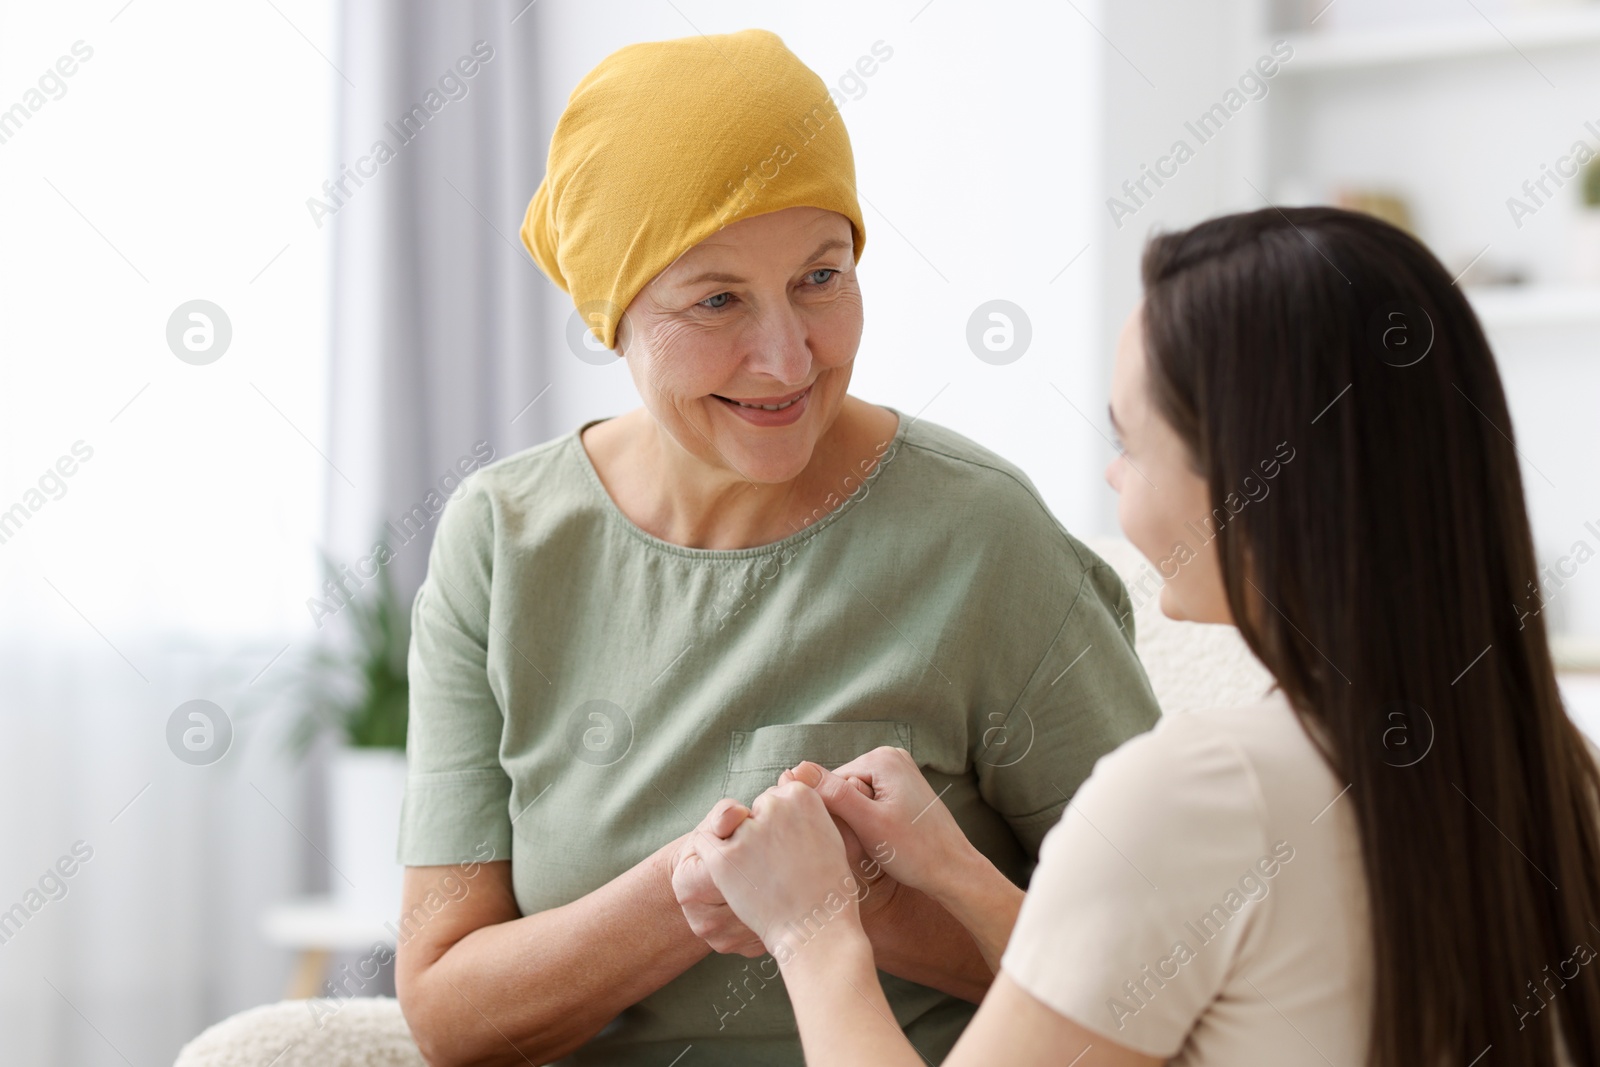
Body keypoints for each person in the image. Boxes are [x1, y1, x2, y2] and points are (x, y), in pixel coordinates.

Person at [391, 28, 1159, 1067]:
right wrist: (687, 892)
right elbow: (446, 1007)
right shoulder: (502, 540)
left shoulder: (979, 533)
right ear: (614, 316)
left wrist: (861, 911)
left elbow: (1165, 965)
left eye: (820, 276)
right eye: (716, 299)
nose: (787, 356)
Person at [692, 205, 1600, 1066]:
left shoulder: (1201, 791)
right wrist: (958, 878)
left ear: (1250, 480)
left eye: (1132, 439)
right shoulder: (1555, 769)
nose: (1113, 474)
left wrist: (811, 929)